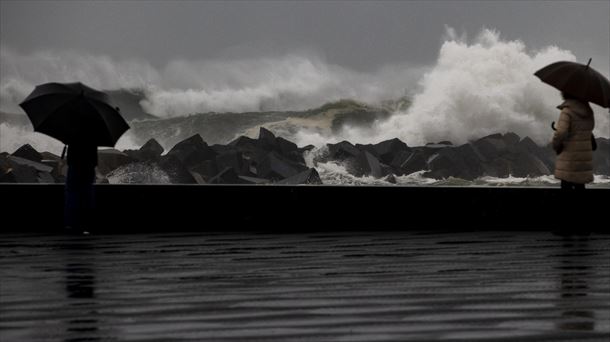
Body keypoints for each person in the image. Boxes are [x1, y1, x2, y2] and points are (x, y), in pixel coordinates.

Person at [552, 92, 596, 190]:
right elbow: (589, 130)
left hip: (570, 159)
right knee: (580, 187)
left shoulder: (567, 111)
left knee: (566, 187)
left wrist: (556, 145)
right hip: (583, 159)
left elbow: (561, 133)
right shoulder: (588, 111)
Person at [64, 141, 98, 233]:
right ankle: (86, 224)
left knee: (72, 196)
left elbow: (69, 160)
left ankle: (72, 223)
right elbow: (95, 161)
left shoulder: (73, 136)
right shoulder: (92, 138)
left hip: (74, 169)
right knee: (87, 196)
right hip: (88, 169)